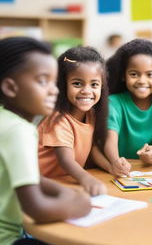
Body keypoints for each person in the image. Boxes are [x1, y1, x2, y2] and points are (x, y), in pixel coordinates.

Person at [0, 37, 91, 245]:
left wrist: (64, 192)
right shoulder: (19, 131)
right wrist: (80, 206)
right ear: (10, 87)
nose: (54, 90)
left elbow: (27, 178)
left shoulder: (4, 119)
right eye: (43, 81)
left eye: (54, 81)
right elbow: (37, 209)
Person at [38, 46, 110, 196]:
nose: (86, 90)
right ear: (63, 86)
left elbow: (93, 148)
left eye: (94, 84)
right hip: (43, 185)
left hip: (65, 182)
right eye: (77, 83)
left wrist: (111, 167)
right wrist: (87, 179)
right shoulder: (57, 120)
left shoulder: (91, 114)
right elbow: (66, 160)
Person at [104, 39, 152, 176]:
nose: (142, 81)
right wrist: (116, 162)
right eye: (134, 74)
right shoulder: (114, 102)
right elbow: (109, 141)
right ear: (122, 75)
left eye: (149, 74)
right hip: (122, 171)